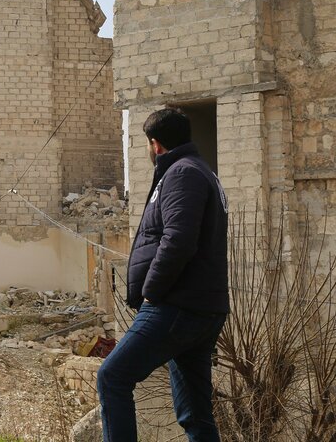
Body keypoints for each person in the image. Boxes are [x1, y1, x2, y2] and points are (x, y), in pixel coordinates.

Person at [97, 107, 229, 442]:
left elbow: (178, 240)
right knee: (195, 414)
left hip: (176, 305)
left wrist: (151, 292)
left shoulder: (182, 174)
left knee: (112, 377)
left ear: (155, 145)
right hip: (198, 307)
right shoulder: (198, 171)